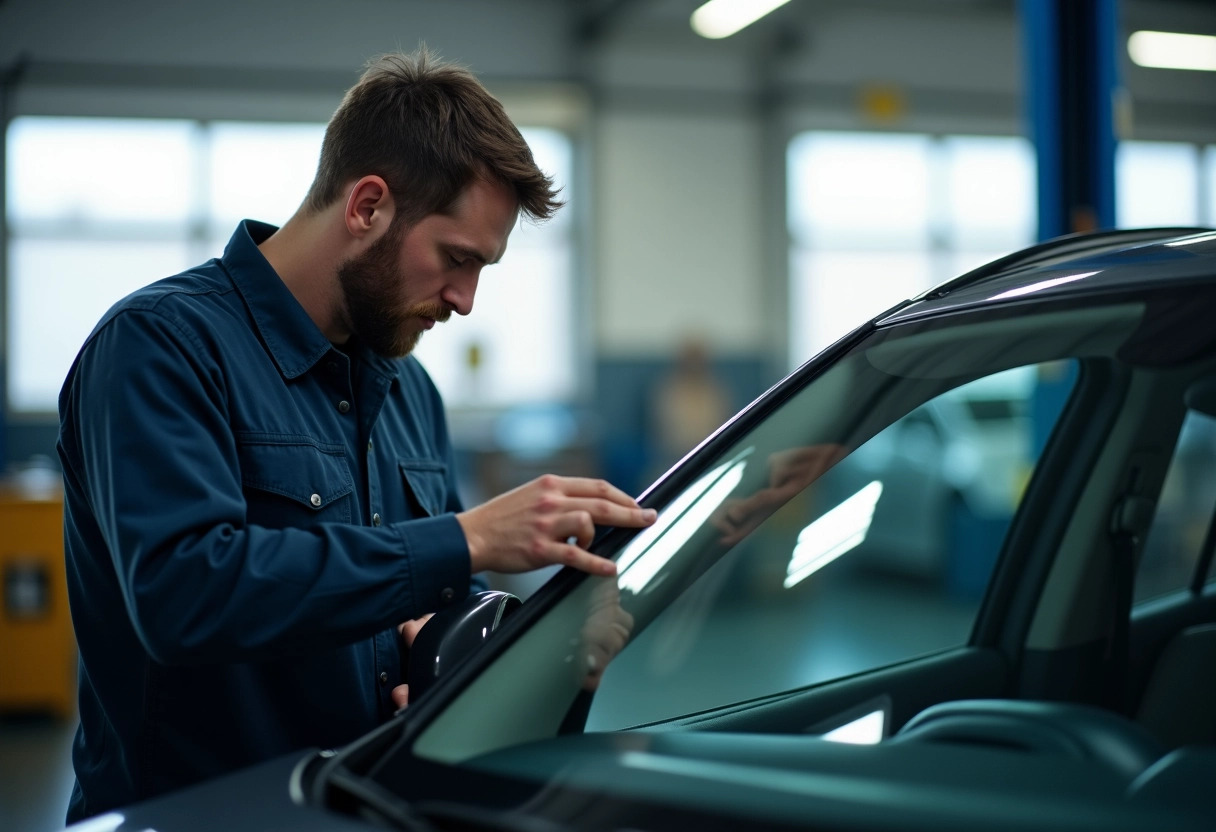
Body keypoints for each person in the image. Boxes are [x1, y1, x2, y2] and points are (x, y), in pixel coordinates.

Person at [57, 48, 655, 822]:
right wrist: (462, 540)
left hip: (364, 806)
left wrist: (542, 649)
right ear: (368, 205)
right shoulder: (160, 347)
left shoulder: (410, 389)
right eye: (456, 258)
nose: (466, 300)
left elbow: (431, 611)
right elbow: (184, 596)